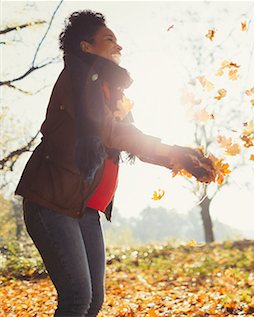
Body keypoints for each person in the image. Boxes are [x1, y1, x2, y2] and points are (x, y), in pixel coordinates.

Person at [15, 10, 214, 317]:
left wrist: (181, 158)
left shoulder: (111, 92)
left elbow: (130, 137)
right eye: (109, 40)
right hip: (52, 203)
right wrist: (174, 150)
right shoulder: (78, 81)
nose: (119, 47)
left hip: (86, 210)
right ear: (86, 47)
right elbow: (109, 132)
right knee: (77, 297)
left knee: (93, 302)